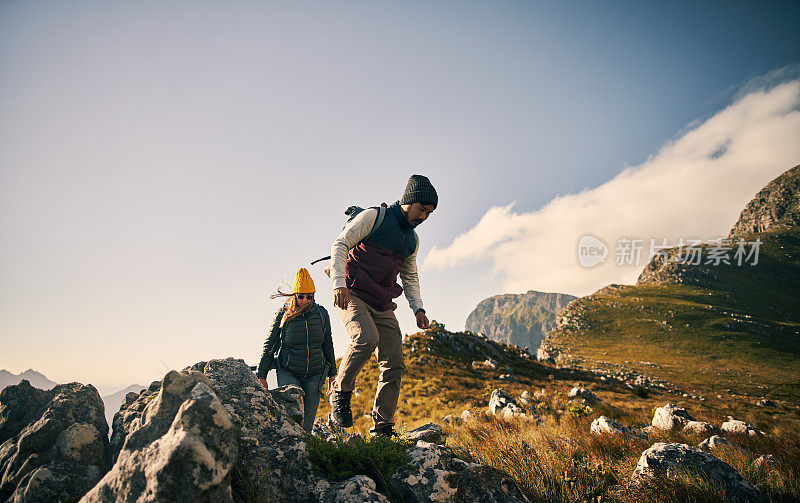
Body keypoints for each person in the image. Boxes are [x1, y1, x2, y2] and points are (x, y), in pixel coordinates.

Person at [327, 174, 436, 437]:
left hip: (383, 302)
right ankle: (340, 393)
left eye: (429, 213)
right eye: (421, 209)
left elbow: (409, 276)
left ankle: (382, 427)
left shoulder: (412, 240)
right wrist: (338, 283)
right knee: (366, 338)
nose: (423, 217)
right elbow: (340, 243)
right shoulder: (375, 217)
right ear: (408, 201)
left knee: (394, 362)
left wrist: (418, 308)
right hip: (351, 292)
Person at [256, 267, 337, 433]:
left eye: (310, 296)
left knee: (306, 426)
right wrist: (261, 375)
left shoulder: (322, 314)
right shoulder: (283, 314)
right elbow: (270, 345)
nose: (305, 300)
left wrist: (332, 375)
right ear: (295, 296)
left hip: (315, 374)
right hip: (288, 371)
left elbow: (327, 344)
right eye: (301, 296)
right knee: (291, 422)